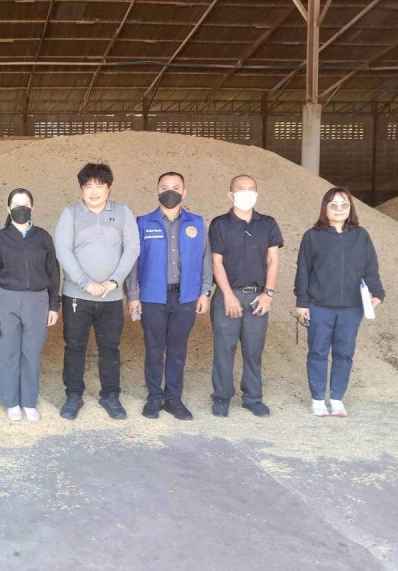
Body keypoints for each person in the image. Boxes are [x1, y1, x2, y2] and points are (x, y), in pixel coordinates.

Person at [53, 163, 139, 420]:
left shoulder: (123, 213)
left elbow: (132, 249)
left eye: (99, 186)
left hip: (111, 297)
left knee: (110, 347)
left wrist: (114, 281)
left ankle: (110, 396)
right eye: (88, 186)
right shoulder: (70, 214)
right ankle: (73, 395)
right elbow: (62, 250)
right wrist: (85, 282)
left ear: (109, 188)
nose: (93, 191)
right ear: (81, 189)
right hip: (77, 296)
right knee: (74, 346)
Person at [125, 172, 212, 421]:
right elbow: (132, 261)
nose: (170, 191)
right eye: (164, 187)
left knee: (177, 350)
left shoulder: (197, 223)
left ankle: (173, 398)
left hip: (186, 296)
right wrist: (133, 295)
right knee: (154, 348)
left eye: (176, 187)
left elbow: (205, 258)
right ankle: (154, 397)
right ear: (156, 192)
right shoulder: (143, 222)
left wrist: (205, 291)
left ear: (184, 192)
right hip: (152, 296)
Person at [294, 187, 384, 417]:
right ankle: (317, 399)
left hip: (351, 308)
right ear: (325, 208)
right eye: (333, 205)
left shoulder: (361, 236)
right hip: (319, 305)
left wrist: (377, 292)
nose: (339, 209)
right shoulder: (312, 236)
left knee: (344, 353)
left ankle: (336, 399)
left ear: (350, 208)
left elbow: (370, 268)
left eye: (344, 205)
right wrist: (302, 302)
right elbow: (303, 270)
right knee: (318, 351)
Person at [208, 174, 283, 418]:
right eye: (241, 189)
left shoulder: (268, 224)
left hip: (257, 297)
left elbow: (273, 260)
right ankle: (221, 397)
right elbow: (216, 262)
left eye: (251, 189)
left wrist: (268, 294)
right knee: (224, 349)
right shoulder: (220, 224)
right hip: (227, 295)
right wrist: (228, 295)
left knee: (253, 350)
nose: (247, 193)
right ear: (230, 195)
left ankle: (252, 397)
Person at [0, 188, 60, 421]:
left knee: (32, 352)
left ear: (33, 207)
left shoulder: (43, 237)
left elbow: (53, 272)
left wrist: (53, 305)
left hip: (38, 300)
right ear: (8, 209)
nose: (21, 208)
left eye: (25, 204)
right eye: (16, 205)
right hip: (6, 299)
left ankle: (29, 401)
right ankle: (11, 402)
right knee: (7, 352)